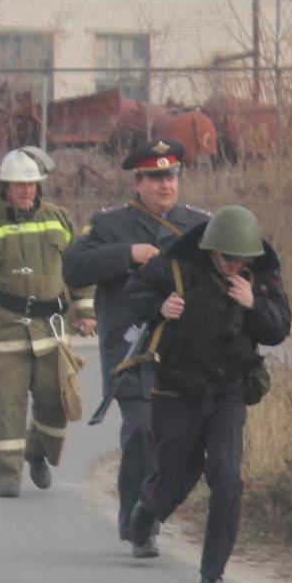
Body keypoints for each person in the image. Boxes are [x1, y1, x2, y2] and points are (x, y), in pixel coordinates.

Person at [123, 206, 291, 583]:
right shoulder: (178, 263)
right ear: (211, 249)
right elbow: (135, 296)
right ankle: (148, 510)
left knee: (227, 478)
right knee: (176, 476)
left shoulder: (262, 274)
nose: (234, 264)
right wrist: (159, 308)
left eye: (241, 259)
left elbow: (279, 328)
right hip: (176, 388)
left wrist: (255, 304)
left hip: (228, 391)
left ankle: (212, 575)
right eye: (227, 257)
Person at [62, 139, 208, 555]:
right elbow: (73, 267)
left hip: (185, 353)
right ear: (137, 181)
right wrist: (128, 254)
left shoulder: (199, 224)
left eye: (172, 175)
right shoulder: (110, 226)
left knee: (178, 441)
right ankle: (137, 519)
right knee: (142, 430)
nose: (166, 185)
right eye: (156, 177)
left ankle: (154, 506)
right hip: (131, 350)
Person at [0, 149, 95, 497]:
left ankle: (37, 452)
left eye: (31, 184)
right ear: (5, 186)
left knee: (55, 400)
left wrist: (86, 311)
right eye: (20, 184)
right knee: (6, 403)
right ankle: (7, 477)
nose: (26, 190)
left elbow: (79, 267)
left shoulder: (59, 219)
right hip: (5, 328)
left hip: (51, 327)